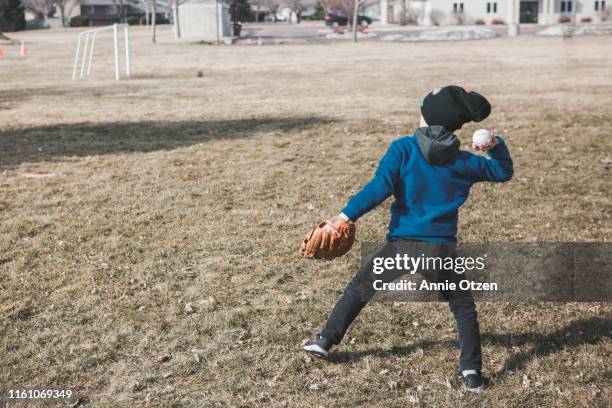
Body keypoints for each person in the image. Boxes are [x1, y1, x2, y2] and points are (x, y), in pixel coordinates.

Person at [302, 85, 514, 393]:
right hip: (440, 250)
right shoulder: (466, 162)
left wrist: (343, 217)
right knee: (462, 306)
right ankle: (472, 372)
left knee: (359, 290)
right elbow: (503, 172)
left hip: (402, 246)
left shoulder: (403, 149)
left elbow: (378, 188)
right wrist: (495, 145)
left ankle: (324, 340)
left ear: (426, 118)